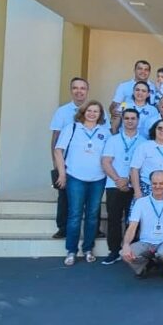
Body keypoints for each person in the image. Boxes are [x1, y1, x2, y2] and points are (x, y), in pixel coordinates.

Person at [53, 100, 109, 266]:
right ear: (83, 112)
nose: (92, 114)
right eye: (89, 110)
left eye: (96, 111)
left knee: (92, 215)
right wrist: (62, 174)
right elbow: (58, 150)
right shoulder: (72, 128)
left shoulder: (105, 132)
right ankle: (71, 250)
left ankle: (88, 249)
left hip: (98, 179)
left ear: (100, 115)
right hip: (75, 177)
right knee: (75, 214)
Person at [49, 77, 93, 239]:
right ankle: (63, 227)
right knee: (64, 197)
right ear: (71, 90)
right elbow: (55, 137)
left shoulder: (95, 110)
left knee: (91, 199)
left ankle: (93, 229)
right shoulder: (62, 111)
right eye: (75, 88)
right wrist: (56, 163)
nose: (79, 91)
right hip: (67, 163)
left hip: (91, 164)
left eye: (82, 88)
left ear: (87, 91)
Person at [101, 108, 145, 264]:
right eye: (127, 118)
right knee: (114, 218)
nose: (130, 121)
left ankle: (131, 250)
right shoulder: (113, 140)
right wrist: (119, 180)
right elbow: (106, 162)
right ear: (123, 120)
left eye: (133, 118)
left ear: (138, 121)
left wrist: (129, 181)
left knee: (133, 220)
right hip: (114, 185)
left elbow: (144, 167)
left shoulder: (144, 141)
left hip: (135, 186)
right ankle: (113, 251)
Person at [120, 170, 163, 278]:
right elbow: (132, 227)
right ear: (150, 183)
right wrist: (126, 245)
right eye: (154, 183)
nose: (157, 186)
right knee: (124, 253)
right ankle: (146, 264)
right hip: (146, 242)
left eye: (161, 183)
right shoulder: (141, 202)